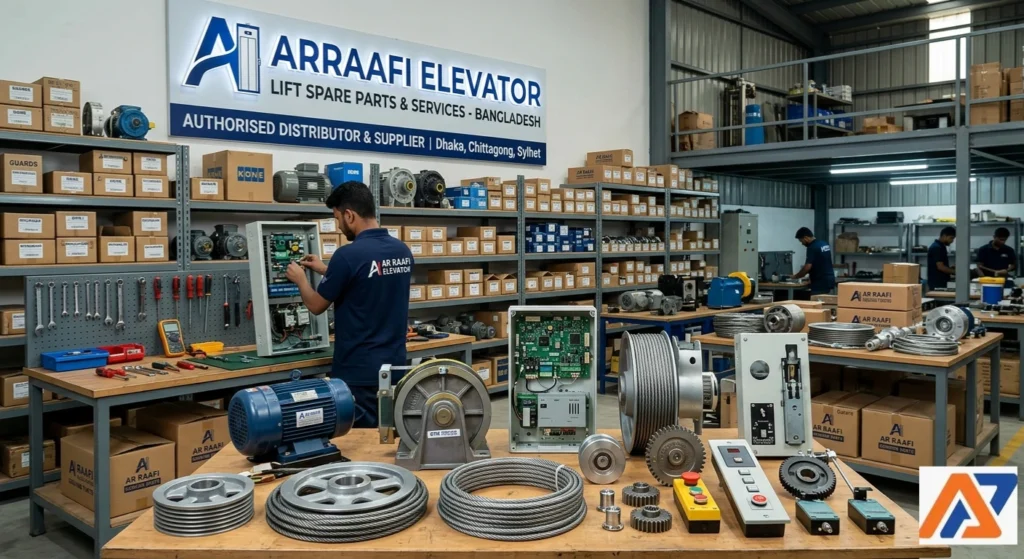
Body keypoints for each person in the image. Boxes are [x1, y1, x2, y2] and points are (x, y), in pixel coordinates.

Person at [286, 181, 413, 428]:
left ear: (349, 214)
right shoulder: (402, 251)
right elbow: (369, 279)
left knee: (360, 443)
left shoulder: (347, 255)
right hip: (395, 366)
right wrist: (327, 269)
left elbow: (316, 305)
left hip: (358, 372)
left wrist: (300, 280)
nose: (339, 226)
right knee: (390, 436)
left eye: (337, 219)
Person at [791, 227, 836, 295]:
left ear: (806, 237)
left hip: (819, 282)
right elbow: (820, 262)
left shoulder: (812, 247)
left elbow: (807, 267)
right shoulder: (824, 244)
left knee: (816, 303)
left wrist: (795, 276)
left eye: (801, 241)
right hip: (829, 279)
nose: (802, 244)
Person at [927, 226, 956, 291]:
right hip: (937, 283)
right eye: (951, 238)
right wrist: (955, 272)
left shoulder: (940, 246)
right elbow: (940, 267)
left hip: (940, 282)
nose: (952, 241)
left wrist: (950, 268)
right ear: (944, 236)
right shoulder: (936, 248)